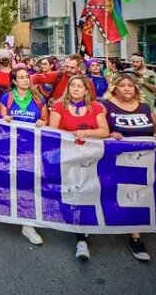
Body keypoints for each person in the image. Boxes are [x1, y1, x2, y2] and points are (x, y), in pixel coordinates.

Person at [101, 71, 156, 262]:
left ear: (136, 88)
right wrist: (110, 135)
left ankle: (135, 237)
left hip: (143, 161)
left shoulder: (145, 107)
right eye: (122, 85)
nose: (127, 89)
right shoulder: (105, 105)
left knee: (139, 196)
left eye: (130, 85)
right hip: (116, 160)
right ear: (115, 88)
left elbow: (155, 128)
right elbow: (102, 128)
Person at [49, 75, 109, 261]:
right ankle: (77, 232)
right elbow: (53, 131)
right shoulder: (59, 106)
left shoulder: (97, 107)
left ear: (86, 90)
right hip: (67, 157)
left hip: (91, 158)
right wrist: (71, 137)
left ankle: (82, 236)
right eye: (72, 85)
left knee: (87, 192)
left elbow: (104, 131)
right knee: (72, 193)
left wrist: (85, 133)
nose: (75, 89)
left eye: (80, 86)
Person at [0, 65, 46, 245]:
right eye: (21, 77)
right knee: (11, 181)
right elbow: (2, 119)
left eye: (27, 76)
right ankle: (11, 212)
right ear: (14, 81)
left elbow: (45, 119)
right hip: (10, 147)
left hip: (32, 148)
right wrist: (5, 119)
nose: (26, 80)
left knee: (29, 182)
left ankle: (28, 224)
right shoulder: (7, 98)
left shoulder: (38, 98)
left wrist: (43, 121)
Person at [32, 54, 96, 105]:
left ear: (79, 67)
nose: (68, 70)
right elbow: (36, 77)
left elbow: (93, 101)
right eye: (67, 66)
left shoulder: (87, 81)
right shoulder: (59, 75)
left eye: (72, 68)